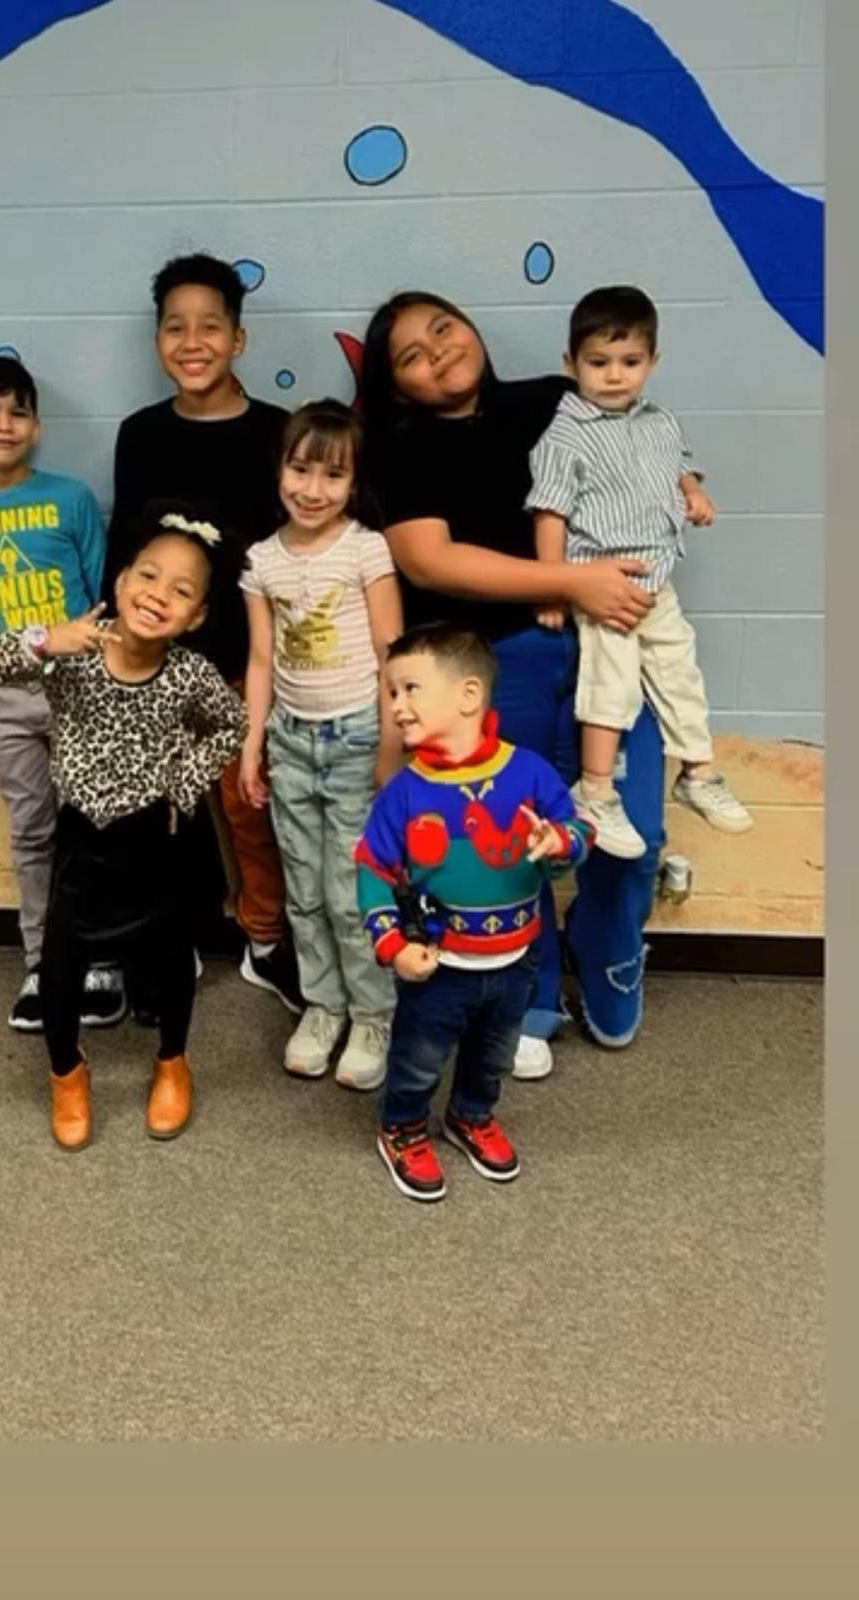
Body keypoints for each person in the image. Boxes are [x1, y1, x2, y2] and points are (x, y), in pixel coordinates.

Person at [360, 291, 686, 1067]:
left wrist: (689, 486)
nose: (437, 350)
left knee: (630, 834)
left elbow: (645, 462)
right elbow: (428, 560)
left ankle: (607, 955)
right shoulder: (398, 446)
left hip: (612, 643)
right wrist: (570, 581)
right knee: (507, 843)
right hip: (493, 664)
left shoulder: (553, 399)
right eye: (411, 354)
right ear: (396, 385)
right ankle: (529, 983)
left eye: (442, 327)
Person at [0, 512, 247, 1150]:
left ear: (196, 615)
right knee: (61, 968)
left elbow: (231, 724)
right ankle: (67, 1072)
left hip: (157, 841)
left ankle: (172, 1061)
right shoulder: (74, 654)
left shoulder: (190, 674)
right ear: (119, 580)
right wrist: (43, 639)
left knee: (171, 960)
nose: (158, 594)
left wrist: (184, 782)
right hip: (83, 842)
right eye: (148, 575)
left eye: (181, 590)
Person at [105, 252, 302, 1014]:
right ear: (158, 340)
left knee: (250, 806)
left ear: (238, 340)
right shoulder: (141, 433)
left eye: (210, 326)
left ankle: (264, 940)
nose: (192, 342)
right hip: (155, 663)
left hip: (243, 665)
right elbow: (126, 549)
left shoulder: (279, 433)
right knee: (158, 811)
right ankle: (172, 933)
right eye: (175, 327)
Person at [355, 625, 593, 1201]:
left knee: (493, 1056)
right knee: (418, 1058)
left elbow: (578, 831)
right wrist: (391, 945)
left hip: (517, 962)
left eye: (410, 688)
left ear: (467, 695)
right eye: (391, 693)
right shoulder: (404, 792)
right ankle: (403, 1127)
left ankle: (470, 1115)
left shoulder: (529, 772)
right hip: (439, 967)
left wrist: (562, 843)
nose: (397, 706)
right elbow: (372, 870)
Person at [0, 354, 123, 1032]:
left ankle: (100, 958)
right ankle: (43, 962)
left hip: (83, 695)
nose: (3, 424)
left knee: (92, 826)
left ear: (37, 425)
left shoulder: (69, 499)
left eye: (17, 411)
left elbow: (104, 607)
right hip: (7, 701)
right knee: (33, 832)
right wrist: (37, 642)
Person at [528, 285, 752, 857]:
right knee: (614, 683)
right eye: (597, 363)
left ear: (653, 362)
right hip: (605, 582)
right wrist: (553, 584)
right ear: (570, 363)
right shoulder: (565, 434)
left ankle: (698, 771)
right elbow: (550, 512)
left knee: (680, 670)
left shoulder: (659, 420)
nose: (614, 376)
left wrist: (693, 491)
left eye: (629, 363)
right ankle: (595, 789)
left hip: (658, 579)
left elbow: (679, 465)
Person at [239, 400, 402, 1090]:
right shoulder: (261, 561)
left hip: (360, 735)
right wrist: (253, 747)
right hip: (291, 741)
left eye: (331, 476)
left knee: (349, 891)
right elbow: (259, 660)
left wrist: (393, 748)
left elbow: (393, 652)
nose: (311, 489)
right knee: (303, 891)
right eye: (299, 469)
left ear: (353, 482)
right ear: (278, 468)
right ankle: (324, 1005)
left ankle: (374, 1013)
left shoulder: (366, 547)